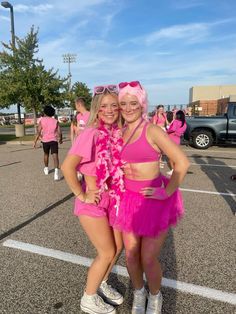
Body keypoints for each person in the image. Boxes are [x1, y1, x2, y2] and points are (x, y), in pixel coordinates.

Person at [116, 81, 190, 314]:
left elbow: (182, 163)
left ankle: (155, 297)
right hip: (128, 201)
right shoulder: (119, 132)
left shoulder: (153, 130)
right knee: (130, 256)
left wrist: (166, 192)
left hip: (153, 201)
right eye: (124, 103)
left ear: (142, 104)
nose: (128, 108)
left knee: (148, 258)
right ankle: (139, 293)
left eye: (133, 103)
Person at [61, 85, 124, 314]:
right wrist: (82, 194)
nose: (109, 110)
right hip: (93, 202)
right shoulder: (90, 134)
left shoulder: (116, 134)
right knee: (106, 252)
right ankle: (88, 299)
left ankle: (103, 283)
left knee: (118, 247)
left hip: (113, 199)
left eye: (114, 105)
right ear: (97, 110)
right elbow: (67, 166)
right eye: (104, 106)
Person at [33, 105, 62, 181]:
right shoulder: (55, 121)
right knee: (55, 155)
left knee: (46, 154)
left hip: (45, 141)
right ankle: (56, 173)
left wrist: (35, 141)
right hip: (54, 140)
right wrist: (60, 139)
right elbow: (59, 132)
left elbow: (39, 132)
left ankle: (46, 168)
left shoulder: (42, 120)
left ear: (45, 112)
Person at [166, 110, 187, 176]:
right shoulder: (184, 123)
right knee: (175, 155)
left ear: (178, 115)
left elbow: (173, 129)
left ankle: (173, 170)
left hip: (172, 138)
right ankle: (177, 168)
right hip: (178, 139)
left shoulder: (176, 121)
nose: (174, 115)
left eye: (175, 114)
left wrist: (168, 130)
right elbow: (182, 131)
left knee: (170, 156)